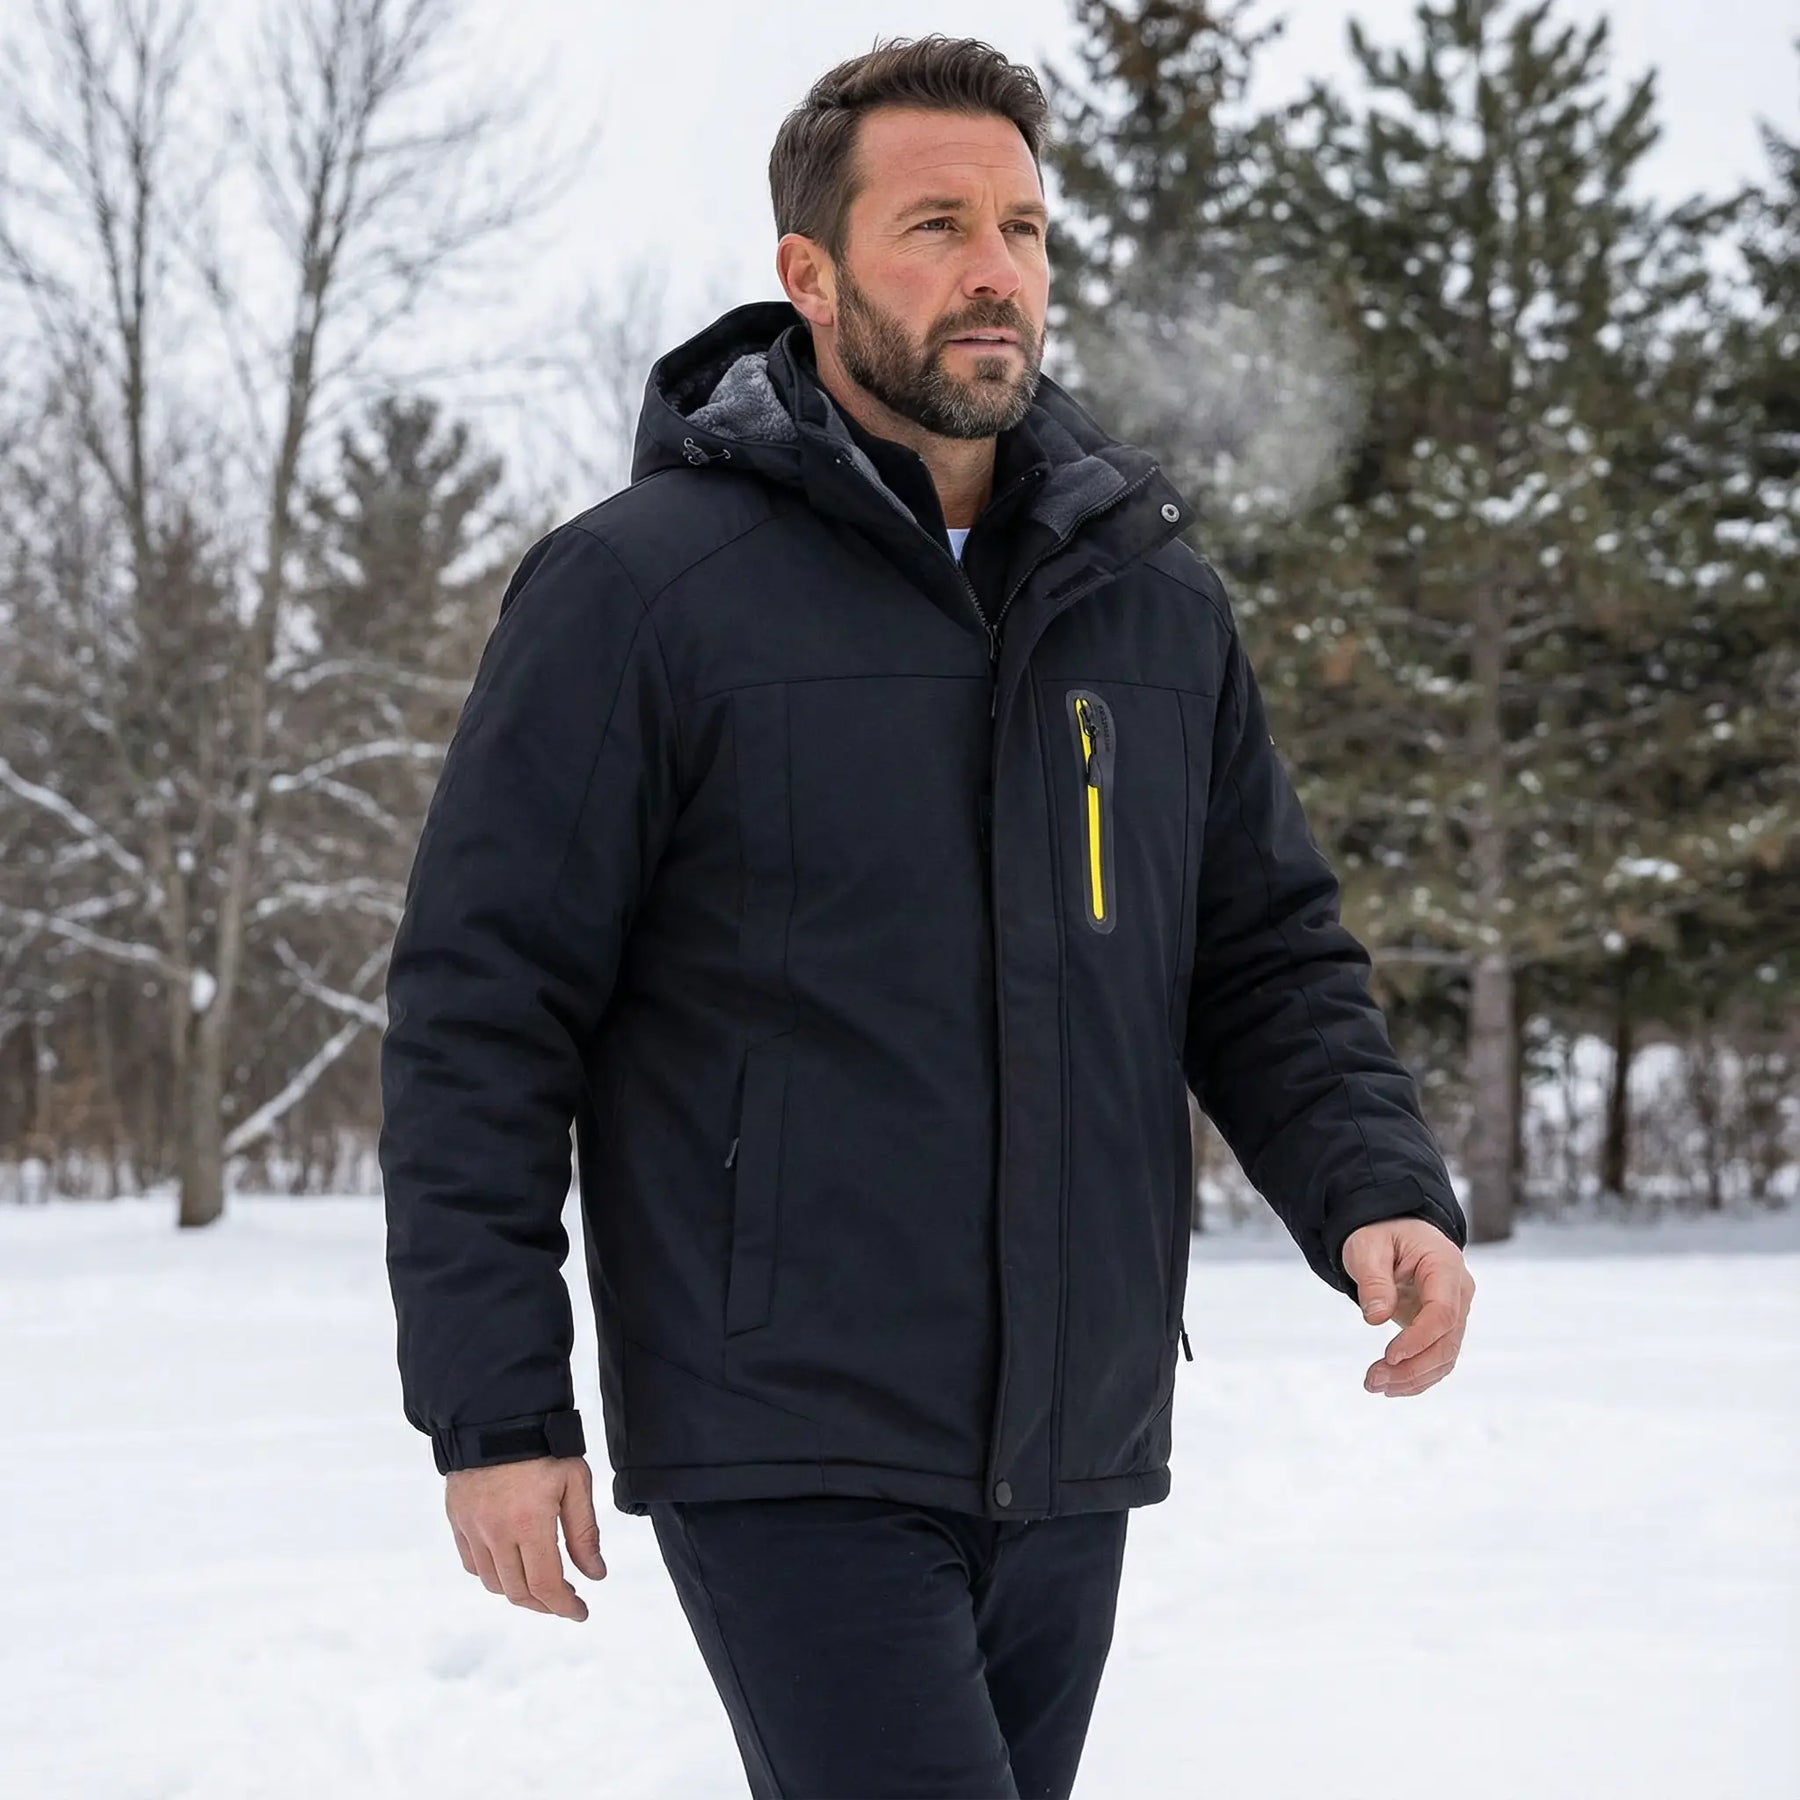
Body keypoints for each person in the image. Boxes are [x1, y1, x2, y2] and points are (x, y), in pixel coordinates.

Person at [379, 33, 1476, 1800]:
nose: (996, 272)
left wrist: (1375, 1187)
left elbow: (1261, 956)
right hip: (786, 1427)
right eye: (937, 226)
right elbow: (483, 1013)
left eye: (1023, 230)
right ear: (809, 275)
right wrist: (496, 1409)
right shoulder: (643, 592)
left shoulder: (1152, 605)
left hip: (1073, 1433)